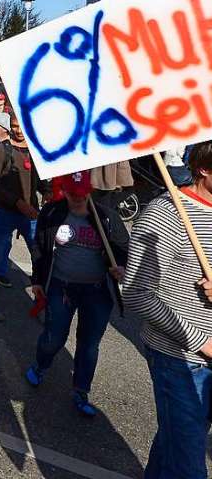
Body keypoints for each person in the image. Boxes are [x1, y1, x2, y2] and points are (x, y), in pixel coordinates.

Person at [123, 141, 212, 477]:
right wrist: (201, 341)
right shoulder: (166, 213)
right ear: (203, 167)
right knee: (189, 466)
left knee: (175, 446)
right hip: (180, 358)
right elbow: (136, 294)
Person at [25, 171, 128, 417]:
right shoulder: (52, 214)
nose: (78, 198)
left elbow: (124, 248)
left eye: (82, 194)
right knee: (54, 337)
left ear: (89, 192)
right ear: (65, 192)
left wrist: (121, 266)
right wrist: (37, 280)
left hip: (96, 290)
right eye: (73, 193)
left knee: (89, 344)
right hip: (62, 287)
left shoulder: (107, 218)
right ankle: (41, 365)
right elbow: (39, 248)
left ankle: (81, 390)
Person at [0, 113, 40, 322]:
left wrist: (48, 191)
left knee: (40, 258)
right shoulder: (1, 150)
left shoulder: (34, 149)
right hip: (5, 212)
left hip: (30, 213)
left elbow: (39, 179)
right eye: (15, 126)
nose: (19, 130)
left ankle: (41, 303)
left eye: (22, 126)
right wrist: (18, 203)